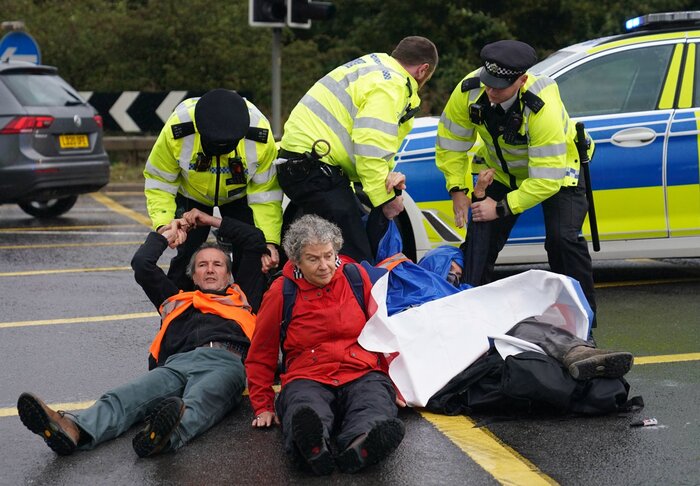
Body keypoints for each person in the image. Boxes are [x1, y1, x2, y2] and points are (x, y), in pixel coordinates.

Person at [17, 220, 255, 457]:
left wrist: (207, 219)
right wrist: (164, 235)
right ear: (193, 276)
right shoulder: (176, 299)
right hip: (176, 364)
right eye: (202, 265)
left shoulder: (244, 297)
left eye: (218, 264)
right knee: (126, 396)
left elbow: (253, 240)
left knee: (200, 400)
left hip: (224, 361)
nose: (210, 269)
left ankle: (163, 436)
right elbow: (142, 264)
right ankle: (73, 428)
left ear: (229, 275)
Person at [435, 39, 598, 328]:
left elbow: (546, 180)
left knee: (563, 240)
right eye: (488, 82)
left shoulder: (541, 104)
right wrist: (458, 189)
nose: (491, 90)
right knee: (478, 237)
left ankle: (581, 325)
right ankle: (471, 318)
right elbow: (451, 145)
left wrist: (500, 207)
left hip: (559, 172)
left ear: (522, 80)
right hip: (500, 171)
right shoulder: (470, 89)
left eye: (499, 86)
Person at [245, 214, 405, 475]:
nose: (324, 265)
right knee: (304, 409)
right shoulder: (281, 291)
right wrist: (262, 404)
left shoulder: (356, 277)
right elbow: (261, 351)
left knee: (374, 404)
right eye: (313, 258)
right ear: (296, 260)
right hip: (307, 375)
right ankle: (312, 448)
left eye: (329, 255)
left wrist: (397, 383)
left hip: (360, 371)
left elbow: (382, 332)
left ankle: (361, 445)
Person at [276, 36, 439, 263]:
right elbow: (371, 145)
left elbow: (374, 144)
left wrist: (388, 179)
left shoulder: (372, 66)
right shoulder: (391, 85)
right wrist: (386, 199)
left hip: (308, 167)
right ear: (423, 70)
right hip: (314, 169)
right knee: (356, 257)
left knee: (353, 243)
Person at [144, 88, 282, 311]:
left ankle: (248, 321)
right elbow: (160, 182)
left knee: (255, 256)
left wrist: (269, 241)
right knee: (187, 259)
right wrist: (165, 224)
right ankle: (177, 319)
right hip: (191, 196)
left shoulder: (259, 134)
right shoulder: (178, 130)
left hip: (239, 196)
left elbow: (266, 195)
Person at [416, 246, 632, 382]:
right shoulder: (415, 290)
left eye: (458, 275)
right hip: (464, 347)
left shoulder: (462, 292)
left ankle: (582, 354)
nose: (454, 278)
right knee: (528, 333)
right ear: (434, 268)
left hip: (479, 336)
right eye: (450, 272)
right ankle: (579, 357)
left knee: (531, 325)